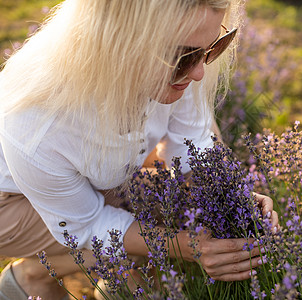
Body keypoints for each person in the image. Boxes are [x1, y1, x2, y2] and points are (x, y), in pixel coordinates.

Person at [0, 0, 279, 299]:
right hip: (9, 203)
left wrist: (230, 196)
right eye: (185, 57)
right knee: (156, 221)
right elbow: (88, 225)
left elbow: (193, 145)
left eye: (215, 46)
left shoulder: (185, 51)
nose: (199, 72)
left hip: (98, 175)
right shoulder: (37, 126)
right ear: (120, 42)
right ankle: (32, 275)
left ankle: (125, 282)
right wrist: (189, 246)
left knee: (173, 205)